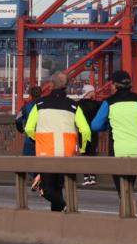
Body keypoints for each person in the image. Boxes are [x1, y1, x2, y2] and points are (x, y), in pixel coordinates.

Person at [90, 70, 137, 213]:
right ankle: (129, 211)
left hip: (118, 149)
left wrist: (108, 125)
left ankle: (129, 213)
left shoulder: (109, 102)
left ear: (115, 85)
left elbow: (95, 125)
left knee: (121, 189)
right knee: (129, 184)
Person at [24, 71, 92, 212]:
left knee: (47, 190)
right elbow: (86, 131)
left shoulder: (39, 104)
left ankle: (65, 207)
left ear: (51, 84)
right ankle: (57, 218)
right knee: (57, 188)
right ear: (66, 86)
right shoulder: (74, 106)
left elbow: (29, 128)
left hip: (46, 153)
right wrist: (83, 149)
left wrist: (37, 139)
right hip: (66, 153)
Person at [16, 86, 42, 189]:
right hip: (44, 138)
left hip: (30, 139)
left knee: (28, 161)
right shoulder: (44, 106)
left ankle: (36, 178)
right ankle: (40, 179)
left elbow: (18, 119)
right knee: (43, 161)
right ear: (41, 94)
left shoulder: (26, 107)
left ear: (30, 95)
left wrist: (21, 130)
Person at [76, 84, 102, 186]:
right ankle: (93, 177)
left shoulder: (78, 104)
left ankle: (86, 177)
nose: (94, 93)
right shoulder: (96, 104)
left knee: (84, 154)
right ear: (90, 93)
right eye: (93, 91)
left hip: (82, 132)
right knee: (92, 154)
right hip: (93, 131)